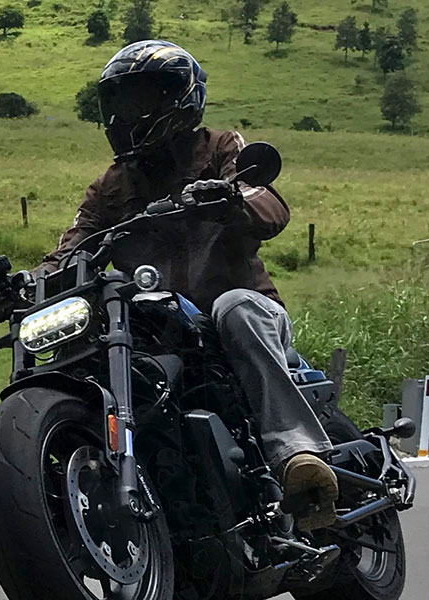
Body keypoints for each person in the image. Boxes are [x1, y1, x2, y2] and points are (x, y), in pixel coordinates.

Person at [37, 40, 338, 530]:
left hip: (240, 317)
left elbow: (269, 204)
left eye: (141, 100)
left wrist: (230, 197)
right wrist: (20, 285)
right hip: (162, 327)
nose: (127, 114)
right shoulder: (112, 184)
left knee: (234, 308)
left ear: (178, 99)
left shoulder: (219, 148)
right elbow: (73, 245)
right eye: (120, 102)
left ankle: (297, 456)